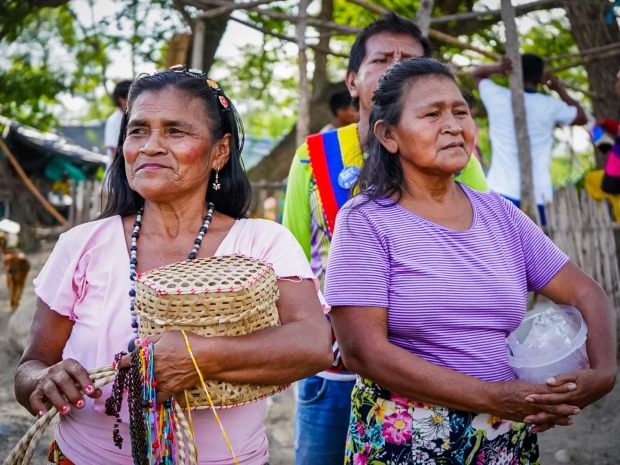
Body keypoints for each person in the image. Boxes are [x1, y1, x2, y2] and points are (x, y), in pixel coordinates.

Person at [14, 67, 333, 465]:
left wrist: (200, 356)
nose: (150, 146)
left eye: (175, 131)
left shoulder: (262, 243)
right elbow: (30, 368)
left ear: (220, 151)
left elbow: (315, 345)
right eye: (138, 130)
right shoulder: (82, 246)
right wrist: (44, 381)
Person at [324, 57, 617, 464]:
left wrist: (603, 374)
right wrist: (493, 396)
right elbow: (363, 351)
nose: (453, 125)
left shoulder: (501, 215)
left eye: (461, 111)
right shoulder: (365, 222)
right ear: (388, 135)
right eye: (431, 113)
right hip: (406, 438)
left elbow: (585, 291)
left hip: (504, 437)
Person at [282, 12, 488, 465]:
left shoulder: (457, 155)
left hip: (430, 370)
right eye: (382, 59)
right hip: (334, 371)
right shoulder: (313, 157)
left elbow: (485, 243)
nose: (395, 67)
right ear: (353, 80)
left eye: (408, 59)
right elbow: (292, 262)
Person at [472, 54, 587, 225]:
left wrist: (499, 69)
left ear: (514, 72)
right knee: (534, 249)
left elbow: (477, 74)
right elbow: (581, 117)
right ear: (541, 77)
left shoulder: (498, 97)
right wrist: (558, 88)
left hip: (499, 190)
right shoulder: (550, 106)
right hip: (539, 194)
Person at [104, 80, 132, 168]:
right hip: (120, 173)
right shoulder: (114, 120)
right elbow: (114, 151)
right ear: (122, 100)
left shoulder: (135, 116)